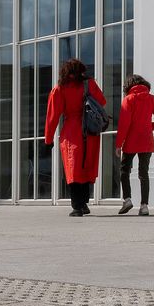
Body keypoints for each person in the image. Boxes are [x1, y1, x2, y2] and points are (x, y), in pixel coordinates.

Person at [45, 58, 107, 217]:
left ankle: (77, 206)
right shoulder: (89, 84)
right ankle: (84, 203)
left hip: (71, 132)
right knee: (86, 167)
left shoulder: (60, 88)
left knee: (73, 168)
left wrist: (48, 139)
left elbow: (52, 116)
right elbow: (102, 101)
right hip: (89, 130)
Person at [115, 74, 154, 217]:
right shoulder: (151, 98)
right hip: (146, 140)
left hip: (131, 140)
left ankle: (127, 200)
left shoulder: (128, 99)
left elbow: (124, 124)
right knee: (144, 173)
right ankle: (144, 206)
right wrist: (149, 127)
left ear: (129, 86)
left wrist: (118, 144)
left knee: (124, 170)